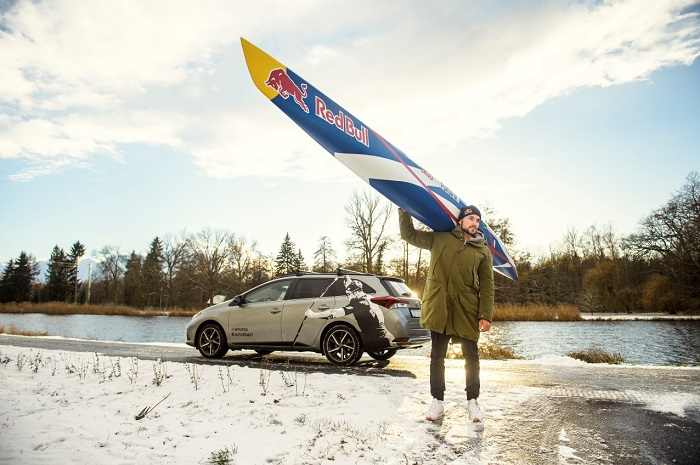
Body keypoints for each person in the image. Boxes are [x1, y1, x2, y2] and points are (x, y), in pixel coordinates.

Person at [399, 205, 494, 423]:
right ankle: (437, 402)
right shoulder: (439, 239)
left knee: (471, 357)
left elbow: (488, 285)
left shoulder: (482, 251)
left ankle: (473, 402)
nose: (474, 223)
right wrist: (404, 210)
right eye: (470, 218)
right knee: (437, 357)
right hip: (440, 306)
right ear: (460, 220)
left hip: (467, 309)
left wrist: (485, 314)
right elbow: (408, 235)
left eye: (477, 220)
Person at [304, 275, 396, 349]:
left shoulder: (359, 302)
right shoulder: (369, 297)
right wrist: (347, 279)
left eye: (348, 294)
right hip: (387, 336)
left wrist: (313, 315)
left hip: (377, 339)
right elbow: (351, 287)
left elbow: (337, 312)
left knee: (347, 334)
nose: (348, 297)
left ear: (355, 292)